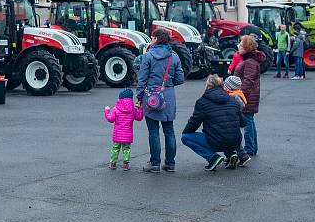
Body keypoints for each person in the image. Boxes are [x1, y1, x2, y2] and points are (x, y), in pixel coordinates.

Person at [136, 28, 185, 173]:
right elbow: (180, 78)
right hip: (168, 96)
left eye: (152, 38)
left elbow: (142, 79)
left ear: (156, 39)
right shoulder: (174, 56)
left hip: (150, 96)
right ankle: (170, 163)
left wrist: (139, 97)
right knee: (169, 130)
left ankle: (155, 163)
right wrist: (168, 85)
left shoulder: (148, 56)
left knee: (153, 131)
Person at [181, 74, 246, 171]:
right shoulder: (233, 100)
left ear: (208, 86)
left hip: (216, 141)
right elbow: (243, 123)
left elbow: (194, 122)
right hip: (236, 141)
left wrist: (186, 131)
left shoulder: (202, 102)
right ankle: (231, 153)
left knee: (186, 138)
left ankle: (212, 158)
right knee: (226, 131)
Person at [234, 35, 263, 163]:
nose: (238, 46)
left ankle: (249, 148)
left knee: (247, 122)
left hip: (248, 97)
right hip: (249, 96)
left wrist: (240, 96)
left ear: (247, 47)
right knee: (250, 121)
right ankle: (252, 147)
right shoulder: (249, 60)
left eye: (241, 44)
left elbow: (248, 81)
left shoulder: (250, 62)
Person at [104, 88, 143, 171]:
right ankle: (126, 164)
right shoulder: (133, 109)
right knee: (126, 149)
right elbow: (139, 118)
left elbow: (110, 119)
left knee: (115, 149)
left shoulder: (116, 109)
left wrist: (107, 111)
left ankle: (113, 163)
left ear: (120, 98)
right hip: (128, 136)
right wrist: (140, 109)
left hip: (117, 135)